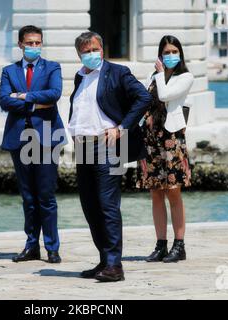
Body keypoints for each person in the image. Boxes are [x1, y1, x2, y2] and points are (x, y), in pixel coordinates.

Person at [68, 31, 152, 282]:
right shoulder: (79, 76)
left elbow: (143, 98)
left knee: (107, 205)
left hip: (108, 146)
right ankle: (105, 260)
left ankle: (115, 265)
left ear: (102, 50)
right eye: (86, 51)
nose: (91, 54)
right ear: (79, 54)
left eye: (94, 49)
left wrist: (122, 128)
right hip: (83, 147)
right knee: (90, 206)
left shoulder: (117, 72)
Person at [0, 25, 65, 264]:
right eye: (29, 43)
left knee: (46, 196)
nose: (34, 47)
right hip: (19, 138)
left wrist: (24, 97)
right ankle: (31, 246)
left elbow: (55, 94)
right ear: (20, 45)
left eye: (38, 43)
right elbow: (5, 101)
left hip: (47, 137)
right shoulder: (9, 71)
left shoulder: (52, 67)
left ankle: (52, 247)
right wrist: (37, 103)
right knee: (28, 196)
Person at [136, 35, 194, 263]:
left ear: (180, 54)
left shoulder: (185, 77)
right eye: (166, 52)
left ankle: (179, 245)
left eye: (174, 52)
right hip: (150, 139)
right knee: (155, 193)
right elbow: (144, 99)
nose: (170, 56)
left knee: (173, 191)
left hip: (171, 140)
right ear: (160, 54)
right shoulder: (152, 76)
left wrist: (160, 75)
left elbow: (165, 95)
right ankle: (161, 244)